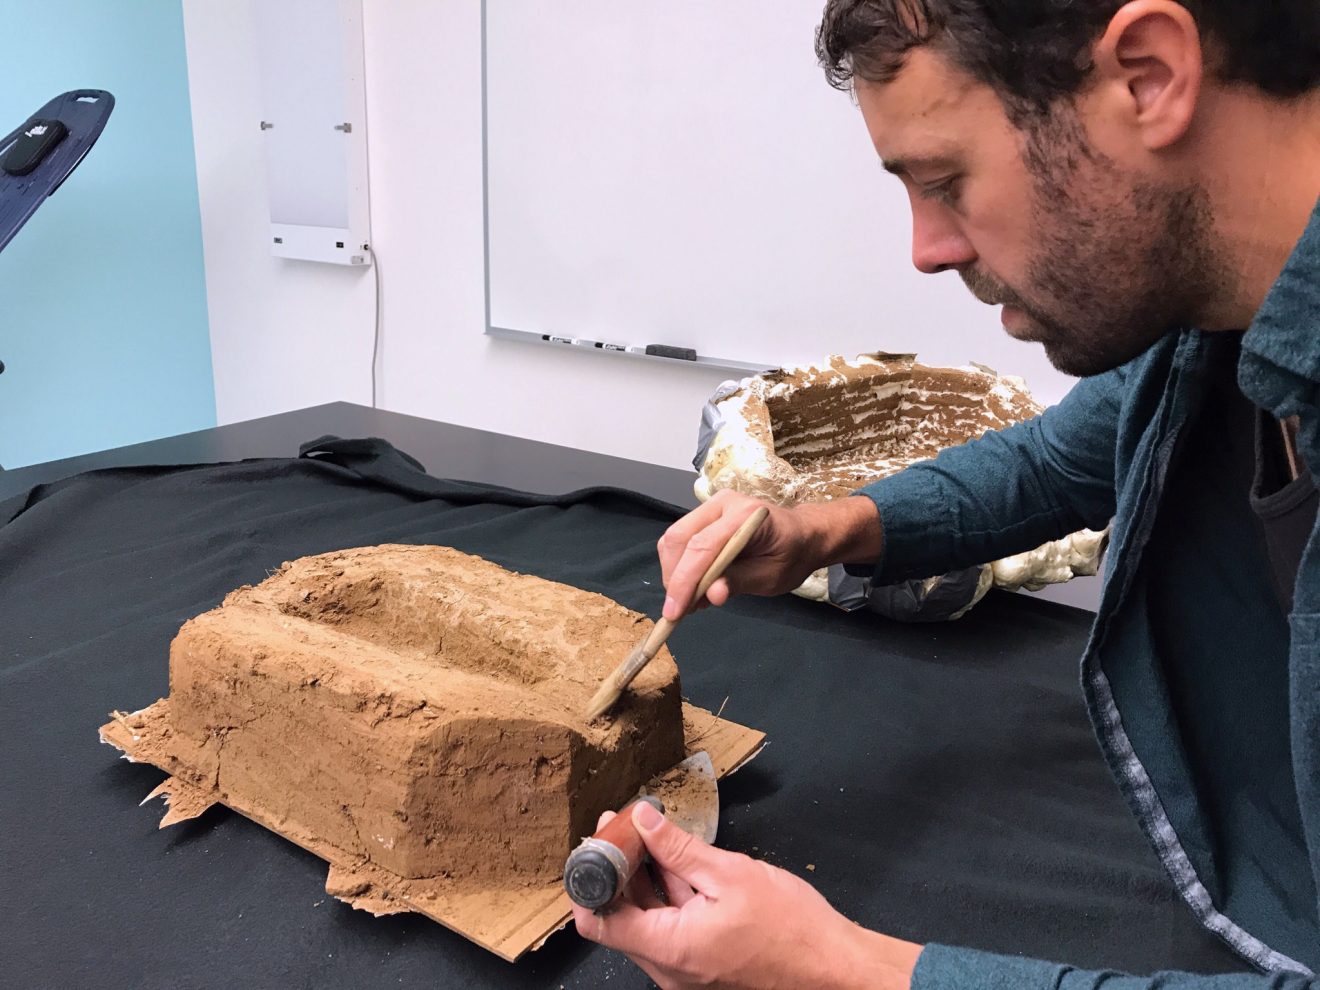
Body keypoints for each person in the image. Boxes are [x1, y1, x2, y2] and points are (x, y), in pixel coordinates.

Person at [571, 1, 1320, 987]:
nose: (927, 249)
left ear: (1149, 75)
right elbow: (1059, 462)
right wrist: (824, 530)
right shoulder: (1216, 319)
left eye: (945, 181)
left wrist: (839, 967)